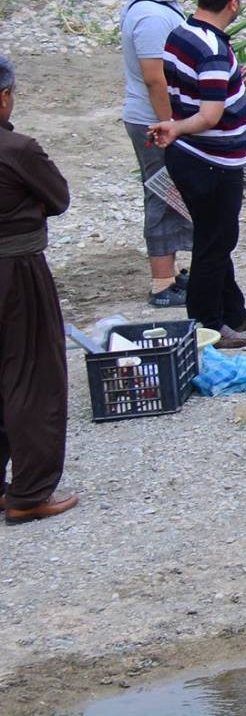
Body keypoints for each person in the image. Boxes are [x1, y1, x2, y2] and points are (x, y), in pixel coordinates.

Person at [148, 0, 246, 349]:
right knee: (215, 243)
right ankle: (207, 325)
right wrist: (178, 127)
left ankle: (233, 309)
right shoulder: (213, 48)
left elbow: (193, 87)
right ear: (234, 3)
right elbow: (210, 115)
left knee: (215, 236)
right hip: (212, 162)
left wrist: (231, 83)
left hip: (194, 159)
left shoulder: (182, 33)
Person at [0, 53, 78, 524]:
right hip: (16, 271)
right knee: (32, 375)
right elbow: (59, 198)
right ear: (3, 97)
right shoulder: (18, 149)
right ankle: (29, 493)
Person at [119, 0, 193, 309]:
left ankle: (171, 272)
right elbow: (154, 78)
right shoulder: (150, 16)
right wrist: (170, 125)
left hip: (156, 119)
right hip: (153, 121)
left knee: (172, 191)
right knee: (163, 193)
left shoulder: (153, 6)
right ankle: (162, 283)